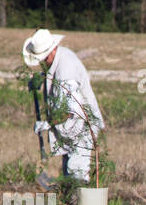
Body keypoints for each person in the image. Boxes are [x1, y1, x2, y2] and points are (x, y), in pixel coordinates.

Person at [22, 28, 105, 182]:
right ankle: (70, 204)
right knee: (68, 171)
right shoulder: (58, 57)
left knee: (76, 172)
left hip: (82, 127)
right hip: (70, 128)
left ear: (52, 50)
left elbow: (69, 110)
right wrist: (41, 78)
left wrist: (47, 124)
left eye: (43, 59)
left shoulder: (67, 72)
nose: (42, 63)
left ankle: (81, 204)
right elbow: (53, 73)